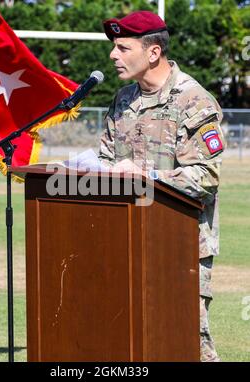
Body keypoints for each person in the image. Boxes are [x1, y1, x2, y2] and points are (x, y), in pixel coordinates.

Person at [98, 10, 226, 362]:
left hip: (179, 246)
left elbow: (206, 176)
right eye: (114, 47)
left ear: (153, 52)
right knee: (127, 338)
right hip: (123, 240)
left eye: (123, 48)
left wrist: (145, 176)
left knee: (185, 339)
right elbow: (106, 159)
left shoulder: (193, 101)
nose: (113, 55)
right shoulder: (123, 100)